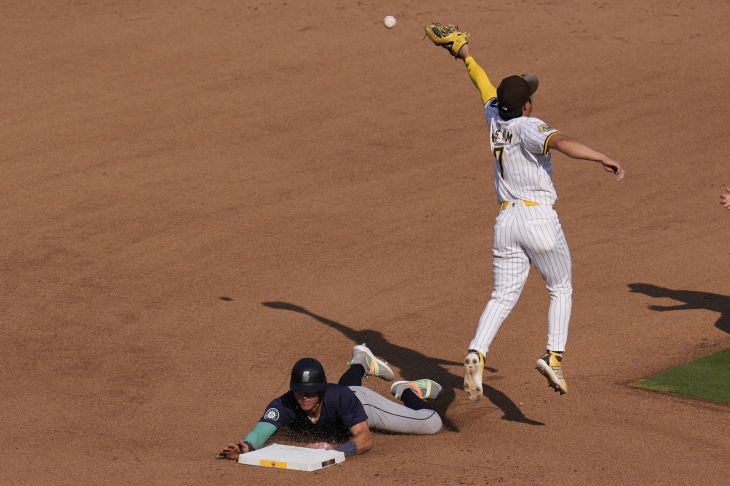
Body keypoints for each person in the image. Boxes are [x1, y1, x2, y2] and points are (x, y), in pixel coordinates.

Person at [425, 25, 626, 401]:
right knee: (561, 287)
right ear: (526, 106)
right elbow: (562, 143)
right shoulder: (530, 126)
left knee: (502, 296)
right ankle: (554, 354)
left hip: (506, 222)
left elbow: (482, 83)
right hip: (538, 220)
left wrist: (464, 51)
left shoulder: (495, 119)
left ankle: (476, 352)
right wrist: (602, 156)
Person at [218, 344, 443, 460]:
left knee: (431, 424)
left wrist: (336, 452)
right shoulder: (284, 404)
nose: (304, 396)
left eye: (311, 392)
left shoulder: (341, 398)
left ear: (322, 390)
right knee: (347, 389)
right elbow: (261, 431)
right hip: (346, 393)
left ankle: (407, 390)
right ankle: (361, 363)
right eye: (299, 391)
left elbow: (364, 438)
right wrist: (246, 447)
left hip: (364, 405)